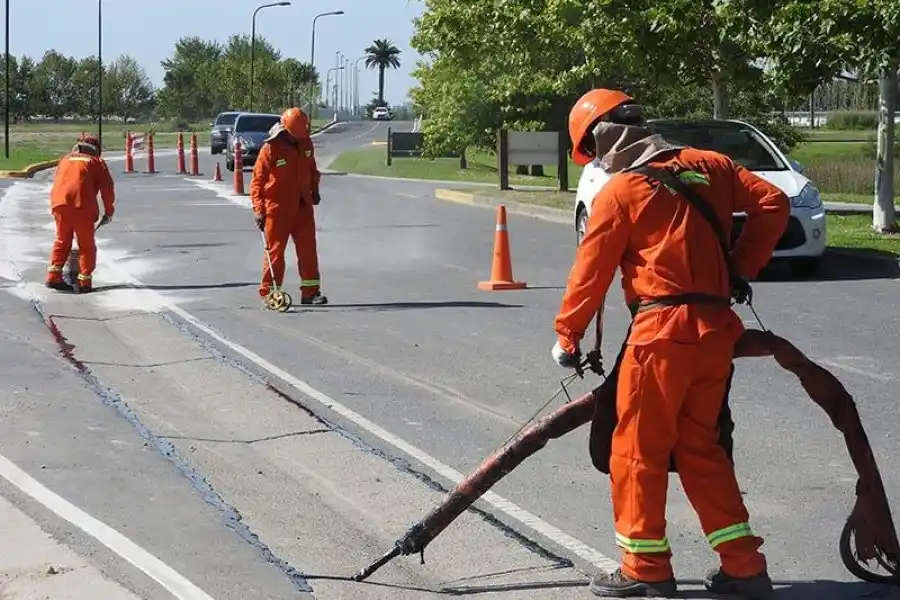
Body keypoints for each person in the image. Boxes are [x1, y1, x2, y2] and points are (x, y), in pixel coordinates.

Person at [551, 89, 790, 599]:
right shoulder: (713, 165)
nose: (595, 164)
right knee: (699, 446)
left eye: (591, 153)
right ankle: (745, 567)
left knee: (637, 449)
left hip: (662, 336)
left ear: (601, 139)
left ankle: (644, 568)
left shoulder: (621, 193)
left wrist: (567, 336)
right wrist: (740, 268)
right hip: (714, 333)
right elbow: (773, 203)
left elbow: (589, 273)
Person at [250, 107, 328, 306]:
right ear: (286, 131)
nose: (298, 140)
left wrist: (315, 190)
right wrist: (259, 209)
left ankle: (310, 292)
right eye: (295, 136)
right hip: (277, 208)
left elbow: (312, 169)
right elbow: (257, 182)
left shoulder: (306, 143)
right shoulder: (271, 148)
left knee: (308, 250)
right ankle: (270, 294)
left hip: (302, 206)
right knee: (275, 252)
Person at [45, 133, 115, 293]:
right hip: (81, 206)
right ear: (96, 148)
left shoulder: (65, 159)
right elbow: (107, 190)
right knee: (86, 245)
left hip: (59, 204)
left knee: (62, 240)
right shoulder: (97, 162)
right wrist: (109, 212)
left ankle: (54, 276)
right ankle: (85, 282)